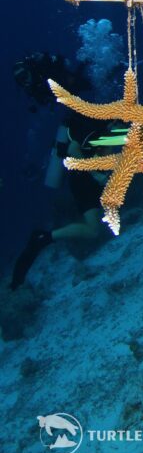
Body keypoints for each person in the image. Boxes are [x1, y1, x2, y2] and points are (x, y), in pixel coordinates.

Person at [10, 53, 106, 289]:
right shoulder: (85, 119)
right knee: (93, 229)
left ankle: (44, 238)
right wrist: (96, 174)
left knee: (93, 230)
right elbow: (73, 149)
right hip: (82, 179)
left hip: (80, 178)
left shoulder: (84, 116)